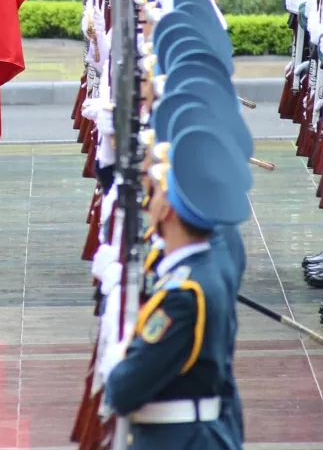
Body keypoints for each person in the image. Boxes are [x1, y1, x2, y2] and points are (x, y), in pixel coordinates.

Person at [102, 119, 247, 450]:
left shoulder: (184, 294)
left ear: (167, 208)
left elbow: (124, 390)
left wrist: (117, 355)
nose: (148, 200)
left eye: (156, 193)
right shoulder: (201, 267)